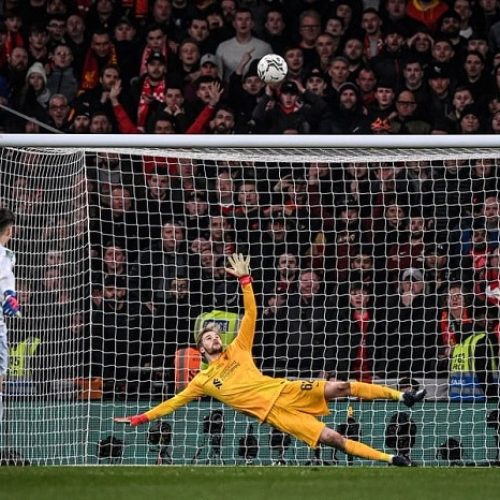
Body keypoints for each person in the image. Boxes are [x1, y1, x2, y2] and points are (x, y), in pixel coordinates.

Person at [116, 254, 425, 466]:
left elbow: (251, 313)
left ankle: (404, 395)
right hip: (276, 415)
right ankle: (392, 459)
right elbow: (173, 403)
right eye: (208, 336)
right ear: (200, 347)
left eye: (215, 334)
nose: (214, 336)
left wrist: (246, 280)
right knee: (333, 438)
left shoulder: (237, 348)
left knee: (341, 386)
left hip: (286, 388)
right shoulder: (202, 381)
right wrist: (140, 418)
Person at [0, 208, 20, 422]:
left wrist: (10, 296)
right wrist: (8, 297)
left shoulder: (7, 256)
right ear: (9, 230)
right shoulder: (4, 255)